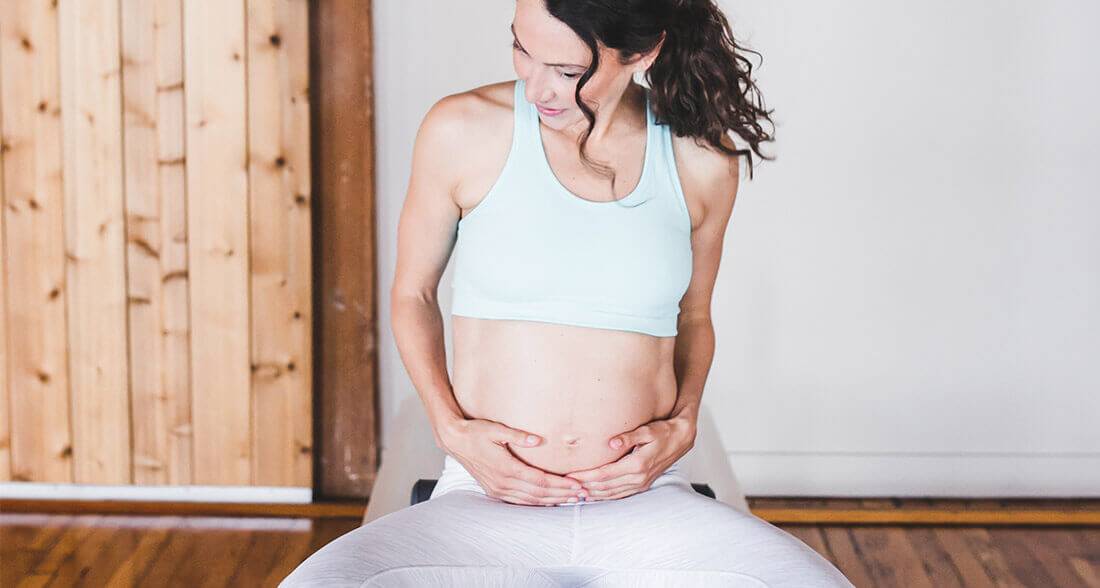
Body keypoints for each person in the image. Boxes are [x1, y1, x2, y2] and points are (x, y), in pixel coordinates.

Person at [282, 0, 854, 586]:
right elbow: (413, 296)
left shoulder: (701, 159)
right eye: (522, 51)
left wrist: (683, 424)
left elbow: (695, 316)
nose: (536, 88)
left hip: (646, 504)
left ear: (643, 51)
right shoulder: (461, 130)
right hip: (485, 505)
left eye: (567, 71)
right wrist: (450, 428)